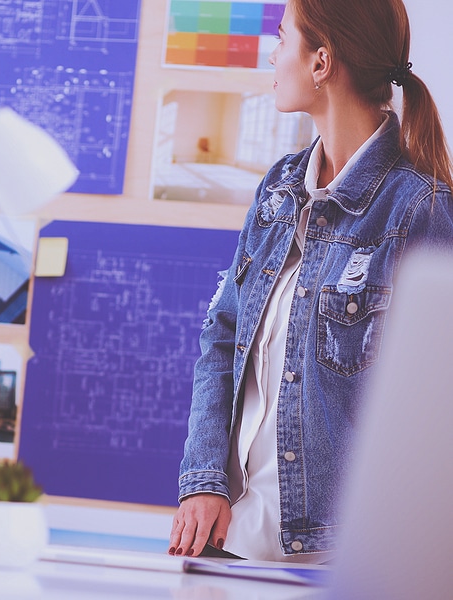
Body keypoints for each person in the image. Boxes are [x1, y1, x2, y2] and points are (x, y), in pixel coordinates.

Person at [169, 0, 453, 563]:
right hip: (229, 537)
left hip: (341, 557)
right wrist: (203, 479)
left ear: (321, 62)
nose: (273, 56)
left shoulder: (421, 209)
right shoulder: (278, 188)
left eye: (282, 38)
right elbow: (221, 340)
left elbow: (433, 413)